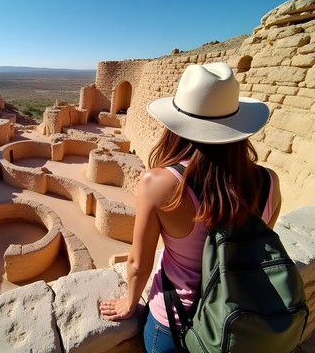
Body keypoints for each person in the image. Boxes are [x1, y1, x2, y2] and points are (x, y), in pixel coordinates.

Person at [99, 62, 282, 352]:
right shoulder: (269, 181)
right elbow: (252, 246)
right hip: (236, 319)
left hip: (175, 320)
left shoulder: (160, 184)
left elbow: (138, 263)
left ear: (176, 125)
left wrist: (129, 302)